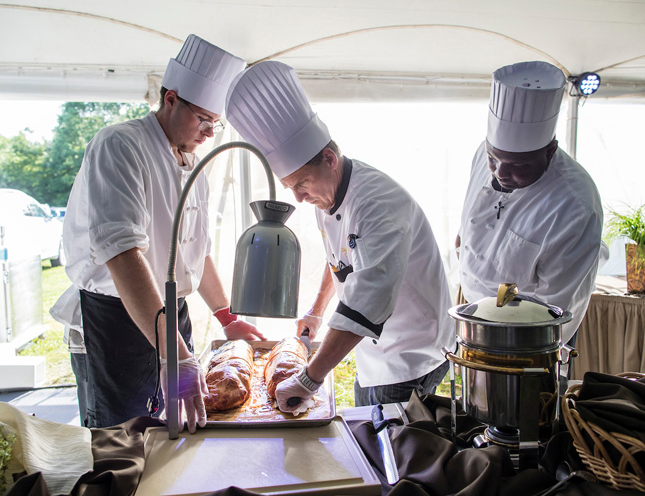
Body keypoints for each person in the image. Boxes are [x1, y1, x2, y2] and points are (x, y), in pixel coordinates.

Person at [50, 35, 266, 432]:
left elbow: (196, 253)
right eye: (203, 119)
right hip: (119, 319)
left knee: (178, 426)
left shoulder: (192, 162)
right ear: (170, 98)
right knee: (124, 436)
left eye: (214, 125)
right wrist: (174, 351)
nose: (207, 132)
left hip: (172, 316)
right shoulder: (120, 145)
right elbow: (123, 254)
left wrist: (225, 316)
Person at [225, 60, 455, 412]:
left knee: (392, 457)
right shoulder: (327, 191)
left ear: (329, 158)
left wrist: (309, 378)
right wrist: (316, 311)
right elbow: (343, 259)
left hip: (410, 354)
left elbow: (367, 299)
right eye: (291, 188)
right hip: (371, 349)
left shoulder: (379, 204)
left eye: (301, 184)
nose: (298, 198)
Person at [456, 60, 604, 348]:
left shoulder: (574, 204)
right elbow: (471, 223)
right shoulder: (482, 155)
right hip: (475, 315)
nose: (499, 172)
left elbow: (552, 305)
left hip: (530, 336)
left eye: (517, 165)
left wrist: (497, 312)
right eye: (493, 158)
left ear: (550, 151)